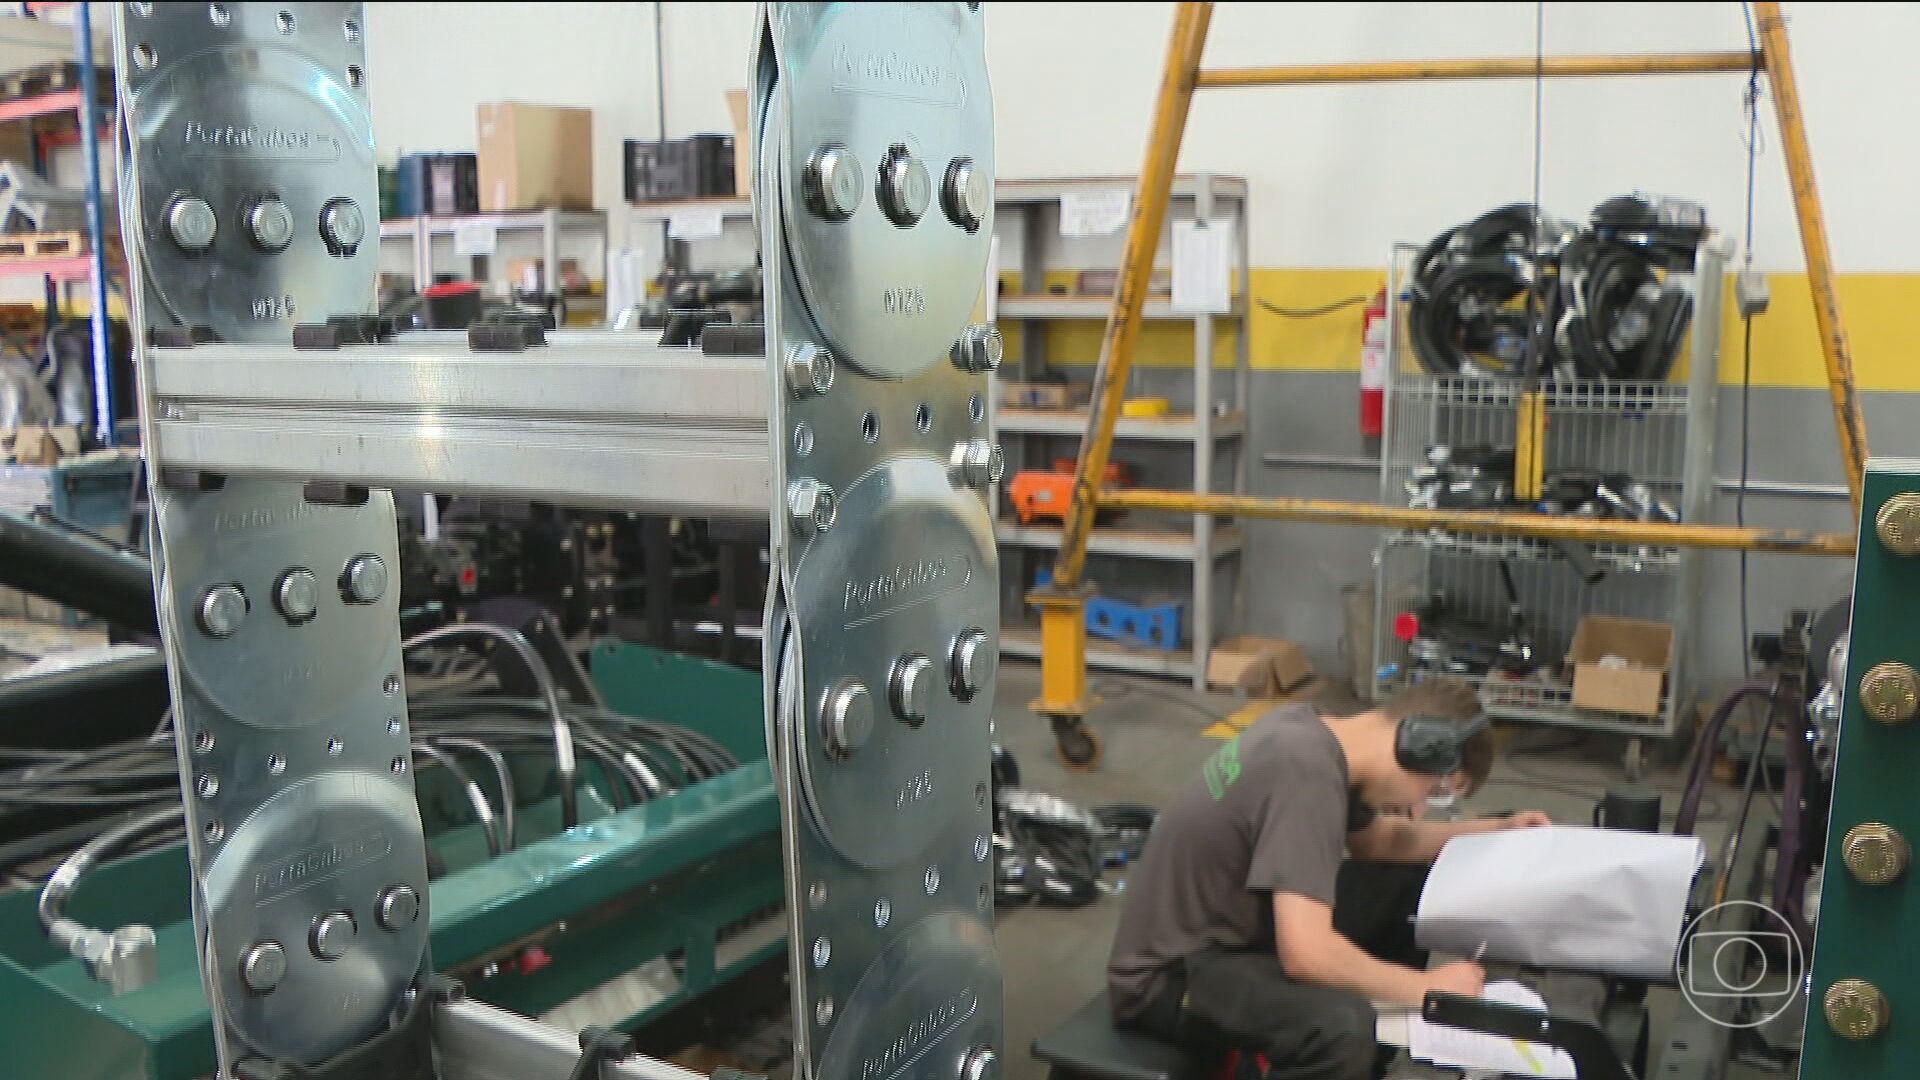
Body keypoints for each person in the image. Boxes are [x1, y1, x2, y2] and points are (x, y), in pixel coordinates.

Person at [1107, 679, 1553, 1080]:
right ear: (1417, 746)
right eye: (1434, 792)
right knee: (1341, 1030)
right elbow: (1307, 955)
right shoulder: (1306, 773)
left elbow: (1381, 843)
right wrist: (1427, 990)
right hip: (1171, 976)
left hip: (1235, 932)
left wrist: (1497, 829)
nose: (1419, 809)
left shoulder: (1313, 733)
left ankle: (1385, 1049)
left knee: (1401, 884)